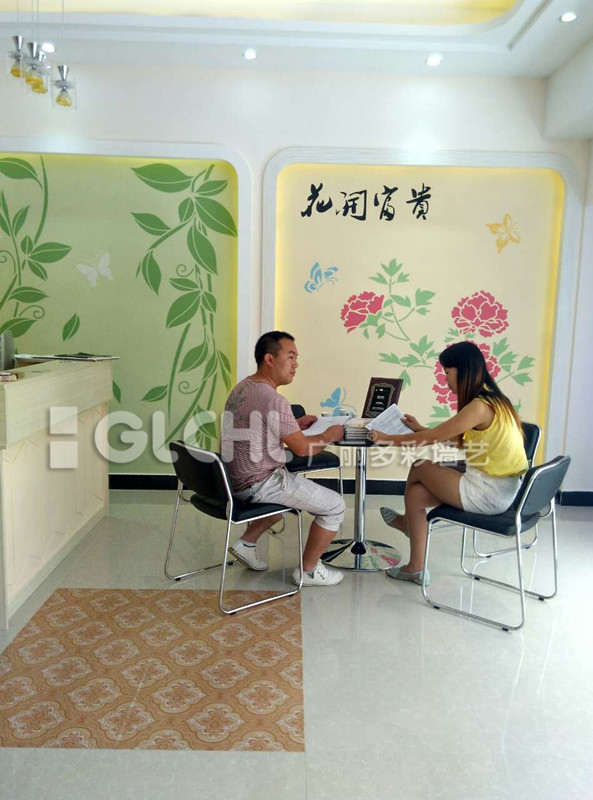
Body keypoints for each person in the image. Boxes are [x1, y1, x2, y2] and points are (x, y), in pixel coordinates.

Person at [370, 341, 528, 585]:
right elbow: (460, 440)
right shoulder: (496, 400)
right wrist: (421, 429)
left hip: (488, 493)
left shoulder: (479, 406)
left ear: (463, 370)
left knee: (420, 465)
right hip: (503, 490)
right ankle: (415, 567)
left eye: (447, 372)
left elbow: (431, 440)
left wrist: (386, 438)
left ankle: (407, 524)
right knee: (416, 495)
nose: (445, 380)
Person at [221, 331, 346, 587]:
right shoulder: (274, 399)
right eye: (291, 357)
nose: (296, 364)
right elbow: (302, 449)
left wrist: (295, 423)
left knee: (283, 506)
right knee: (335, 506)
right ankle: (309, 571)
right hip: (259, 483)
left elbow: (257, 426)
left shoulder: (243, 387)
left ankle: (246, 544)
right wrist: (329, 435)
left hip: (231, 480)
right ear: (269, 359)